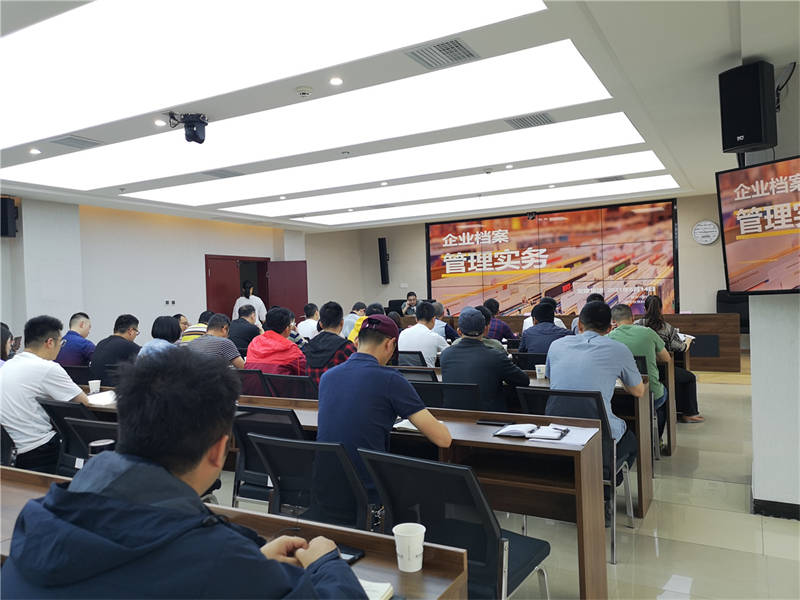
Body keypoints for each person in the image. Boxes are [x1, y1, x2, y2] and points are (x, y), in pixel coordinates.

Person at [1, 349, 365, 598]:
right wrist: (326, 564)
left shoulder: (39, 520)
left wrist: (252, 562)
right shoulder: (216, 561)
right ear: (220, 450)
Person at [317, 314, 451, 502]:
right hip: (369, 491)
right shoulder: (391, 379)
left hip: (325, 488)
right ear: (390, 344)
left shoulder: (328, 377)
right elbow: (443, 439)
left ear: (356, 342)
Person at [546, 301, 644, 525]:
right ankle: (604, 491)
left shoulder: (556, 345)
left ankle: (584, 485)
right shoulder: (618, 349)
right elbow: (638, 391)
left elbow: (551, 378)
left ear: (579, 325)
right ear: (610, 328)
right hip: (598, 437)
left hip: (558, 432)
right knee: (631, 441)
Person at [0, 316, 90, 473]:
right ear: (50, 342)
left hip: (11, 453)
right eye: (60, 342)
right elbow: (84, 402)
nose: (60, 347)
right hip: (40, 451)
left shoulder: (8, 365)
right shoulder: (47, 368)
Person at [440, 307, 529, 412]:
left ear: (459, 332)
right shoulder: (495, 356)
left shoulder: (445, 355)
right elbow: (524, 380)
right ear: (486, 329)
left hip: (453, 416)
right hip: (489, 417)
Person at [636, 295, 703, 422]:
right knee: (689, 377)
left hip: (639, 369)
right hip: (660, 369)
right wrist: (688, 340)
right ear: (661, 309)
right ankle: (689, 413)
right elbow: (681, 347)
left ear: (644, 309)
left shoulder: (636, 325)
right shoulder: (666, 327)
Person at [609, 303, 669, 439]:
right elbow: (666, 359)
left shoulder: (609, 338)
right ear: (633, 318)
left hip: (621, 398)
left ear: (614, 321)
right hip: (650, 394)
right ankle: (657, 439)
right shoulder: (648, 332)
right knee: (663, 393)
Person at [303, 301, 357, 387]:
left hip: (312, 394)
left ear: (321, 324)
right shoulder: (346, 347)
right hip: (337, 394)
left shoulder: (309, 346)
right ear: (342, 323)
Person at [246, 307, 307, 375]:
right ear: (287, 328)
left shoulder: (254, 342)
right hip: (280, 382)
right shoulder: (291, 348)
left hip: (251, 382)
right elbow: (306, 371)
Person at [89, 314, 141, 384]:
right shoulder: (129, 346)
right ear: (130, 331)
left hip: (95, 388)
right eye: (136, 332)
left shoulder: (100, 343)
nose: (136, 336)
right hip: (115, 389)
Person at [398, 301, 448, 367]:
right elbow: (452, 353)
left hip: (404, 373)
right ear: (433, 319)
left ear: (416, 319)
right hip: (427, 373)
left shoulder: (402, 334)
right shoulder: (435, 337)